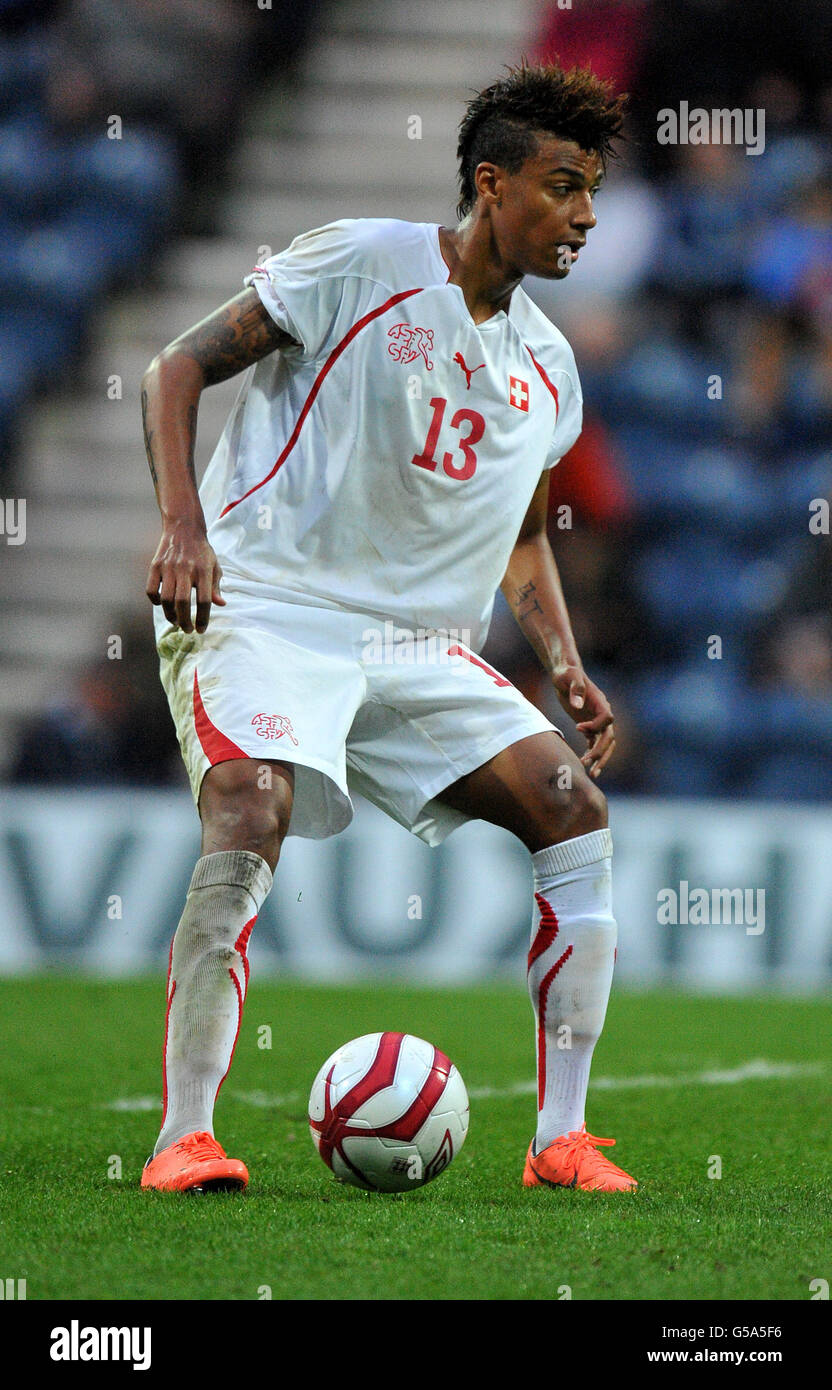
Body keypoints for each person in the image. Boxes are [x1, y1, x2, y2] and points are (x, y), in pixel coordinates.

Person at [139, 61, 637, 1195]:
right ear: (489, 182)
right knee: (247, 800)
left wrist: (562, 663)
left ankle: (558, 1136)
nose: (586, 216)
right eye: (563, 187)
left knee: (572, 802)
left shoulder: (547, 366)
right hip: (265, 602)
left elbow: (516, 534)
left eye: (595, 192)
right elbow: (177, 366)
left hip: (413, 645)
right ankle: (183, 1134)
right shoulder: (359, 259)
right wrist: (183, 524)